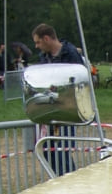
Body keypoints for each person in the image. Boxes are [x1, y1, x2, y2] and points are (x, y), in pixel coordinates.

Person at [31, 23, 86, 173]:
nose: (36, 46)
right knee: (48, 153)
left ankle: (70, 185)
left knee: (63, 154)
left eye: (38, 42)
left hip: (67, 113)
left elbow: (80, 83)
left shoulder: (71, 54)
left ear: (47, 38)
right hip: (49, 112)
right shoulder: (44, 57)